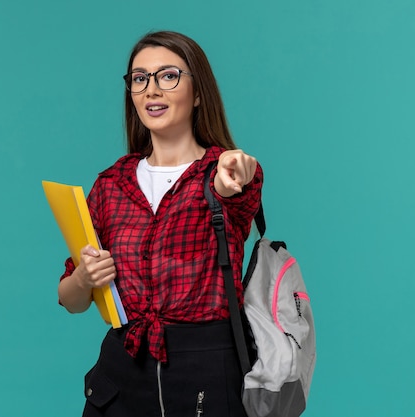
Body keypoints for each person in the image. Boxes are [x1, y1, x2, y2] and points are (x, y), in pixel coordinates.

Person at [57, 30, 263, 417]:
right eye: (140, 78)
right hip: (121, 374)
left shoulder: (221, 171)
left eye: (168, 75)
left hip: (205, 370)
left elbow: (240, 188)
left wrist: (234, 176)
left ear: (198, 92)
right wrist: (84, 279)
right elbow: (70, 300)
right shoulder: (109, 185)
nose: (152, 89)